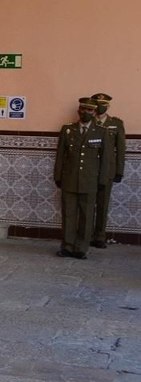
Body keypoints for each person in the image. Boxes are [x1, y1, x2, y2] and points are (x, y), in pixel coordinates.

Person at [55, 97, 109, 259]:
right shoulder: (68, 130)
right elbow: (60, 156)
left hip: (90, 180)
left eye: (89, 110)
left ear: (94, 112)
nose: (86, 113)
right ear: (79, 110)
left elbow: (105, 159)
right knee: (68, 213)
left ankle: (81, 248)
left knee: (86, 215)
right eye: (83, 110)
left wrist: (102, 181)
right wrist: (58, 176)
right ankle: (67, 246)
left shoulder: (101, 132)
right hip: (69, 179)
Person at [90, 92, 125, 249]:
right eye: (98, 104)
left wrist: (119, 171)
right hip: (89, 170)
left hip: (108, 170)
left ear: (108, 106)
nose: (100, 107)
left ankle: (100, 236)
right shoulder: (88, 121)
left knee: (103, 204)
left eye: (103, 105)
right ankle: (87, 235)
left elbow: (121, 149)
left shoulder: (116, 124)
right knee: (88, 203)